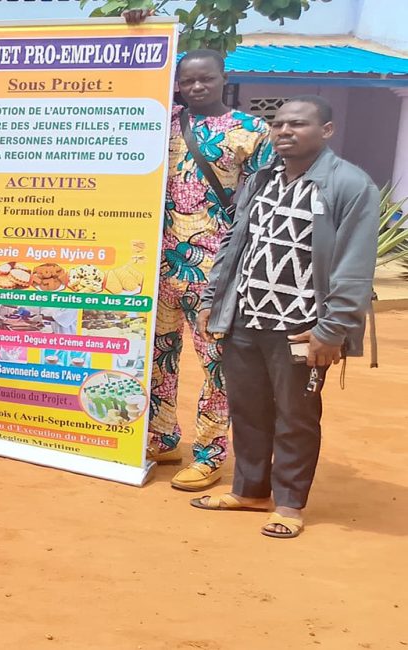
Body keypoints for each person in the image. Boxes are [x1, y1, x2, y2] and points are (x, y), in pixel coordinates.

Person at [192, 95, 378, 540]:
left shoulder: (350, 185)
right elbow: (233, 245)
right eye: (277, 125)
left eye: (298, 124)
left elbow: (354, 267)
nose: (284, 132)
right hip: (245, 320)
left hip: (303, 330)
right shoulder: (259, 180)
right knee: (249, 409)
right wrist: (213, 300)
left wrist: (332, 330)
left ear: (326, 131)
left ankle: (290, 503)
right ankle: (251, 490)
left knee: (295, 415)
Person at [151, 49, 273, 491]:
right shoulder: (158, 121)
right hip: (152, 265)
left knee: (216, 364)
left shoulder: (251, 130)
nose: (197, 86)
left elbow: (263, 200)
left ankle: (210, 453)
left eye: (207, 78)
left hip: (214, 268)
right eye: (189, 80)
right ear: (178, 82)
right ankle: (162, 437)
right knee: (157, 357)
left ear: (224, 78)